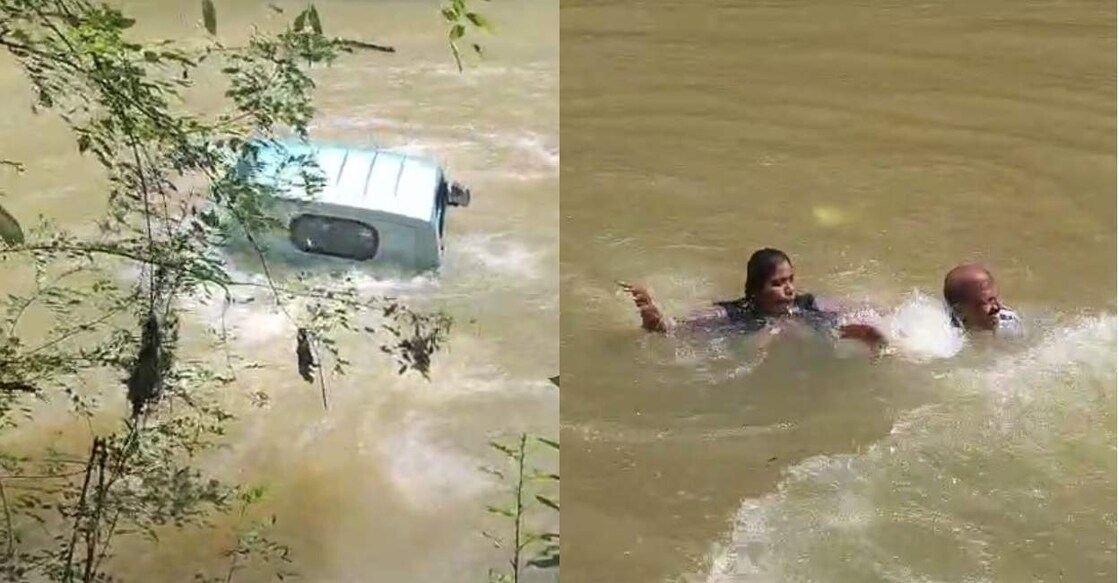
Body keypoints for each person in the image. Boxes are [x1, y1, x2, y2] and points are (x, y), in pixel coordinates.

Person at [619, 248, 887, 350]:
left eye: (790, 280)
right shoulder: (738, 314)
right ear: (756, 290)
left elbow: (861, 308)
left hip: (809, 334)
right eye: (777, 283)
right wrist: (655, 318)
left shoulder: (806, 304)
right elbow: (678, 327)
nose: (788, 289)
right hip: (758, 336)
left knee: (829, 327)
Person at [942, 263, 1023, 335]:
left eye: (994, 299)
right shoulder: (945, 335)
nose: (997, 308)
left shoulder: (1009, 321)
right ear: (960, 310)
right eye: (986, 302)